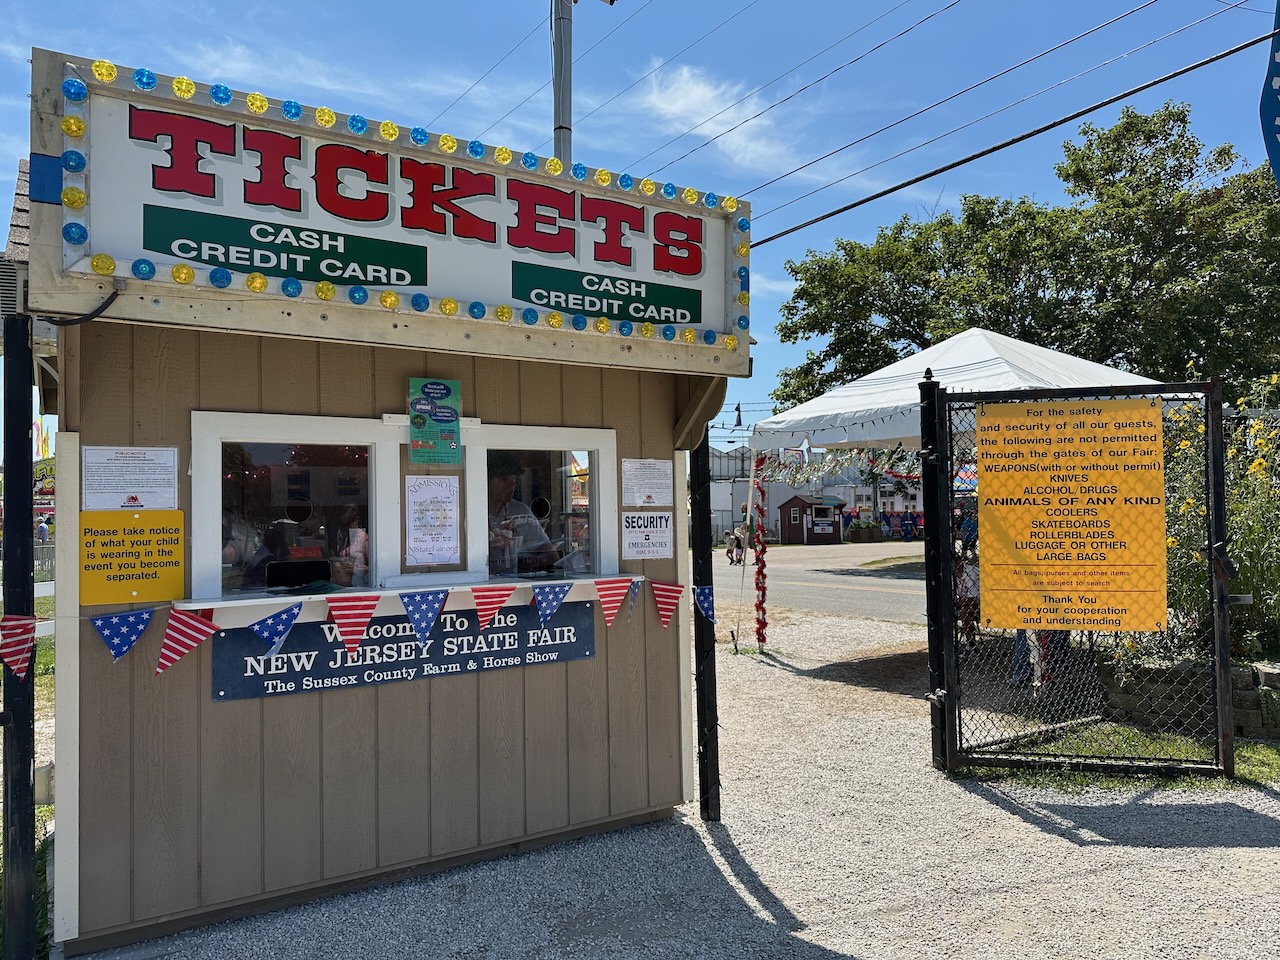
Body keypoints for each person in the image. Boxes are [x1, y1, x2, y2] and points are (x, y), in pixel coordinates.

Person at [488, 451, 559, 575]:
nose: (512, 484)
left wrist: (532, 563)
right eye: (504, 479)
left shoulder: (520, 511)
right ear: (487, 481)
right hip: (481, 582)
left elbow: (552, 554)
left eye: (514, 478)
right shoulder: (473, 510)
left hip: (516, 583)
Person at [331, 503, 369, 586]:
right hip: (342, 584)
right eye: (343, 525)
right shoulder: (343, 538)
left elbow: (373, 568)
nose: (346, 528)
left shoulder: (364, 538)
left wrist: (355, 569)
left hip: (358, 584)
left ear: (356, 520)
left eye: (348, 524)